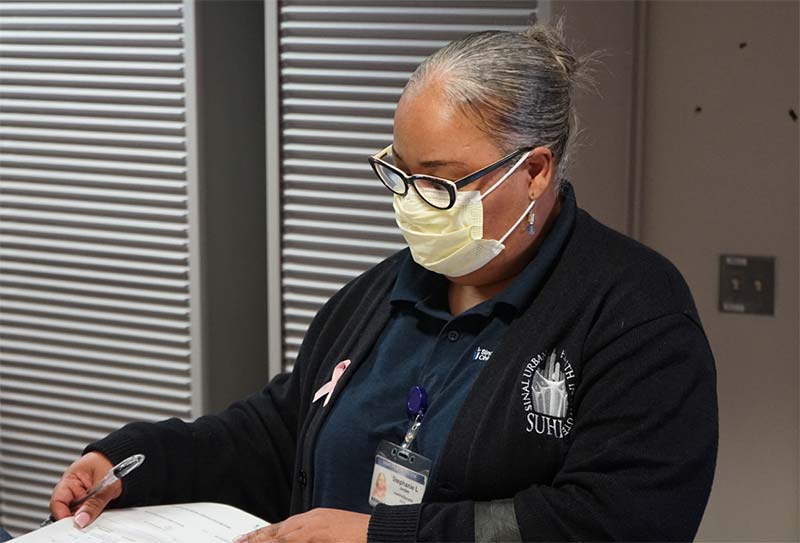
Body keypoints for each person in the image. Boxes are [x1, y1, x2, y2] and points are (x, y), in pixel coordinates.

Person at [48, 21, 718, 542]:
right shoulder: (385, 293)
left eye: (438, 180)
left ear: (535, 171)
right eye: (399, 173)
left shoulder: (634, 311)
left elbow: (615, 522)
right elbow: (280, 432)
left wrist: (383, 534)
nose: (413, 202)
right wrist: (135, 459)